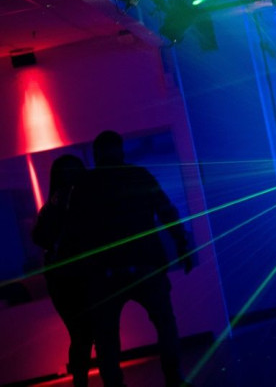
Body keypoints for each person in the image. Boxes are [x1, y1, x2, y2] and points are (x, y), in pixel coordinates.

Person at [68, 130, 194, 387]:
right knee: (165, 325)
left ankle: (114, 385)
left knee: (106, 337)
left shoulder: (84, 185)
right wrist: (183, 245)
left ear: (95, 154)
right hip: (147, 264)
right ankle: (174, 378)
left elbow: (74, 230)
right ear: (121, 150)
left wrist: (79, 272)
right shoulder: (139, 176)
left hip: (103, 274)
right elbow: (167, 212)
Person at [32, 154, 93, 387]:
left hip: (70, 276)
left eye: (73, 172)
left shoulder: (55, 205)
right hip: (69, 277)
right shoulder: (56, 205)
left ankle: (84, 382)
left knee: (83, 335)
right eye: (66, 173)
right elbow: (41, 238)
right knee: (84, 335)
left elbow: (40, 238)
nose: (70, 177)